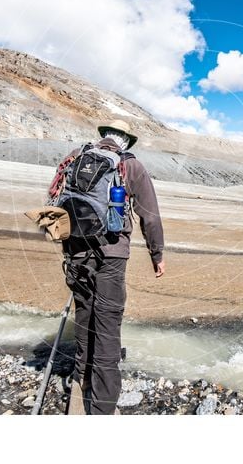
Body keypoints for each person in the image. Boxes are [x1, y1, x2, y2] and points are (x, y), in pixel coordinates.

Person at [49, 119, 165, 415]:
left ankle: (81, 377)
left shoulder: (76, 156)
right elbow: (149, 216)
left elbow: (56, 200)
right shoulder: (131, 166)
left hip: (74, 248)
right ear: (125, 141)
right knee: (108, 324)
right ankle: (102, 406)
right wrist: (157, 254)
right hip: (111, 254)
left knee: (84, 312)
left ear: (103, 137)